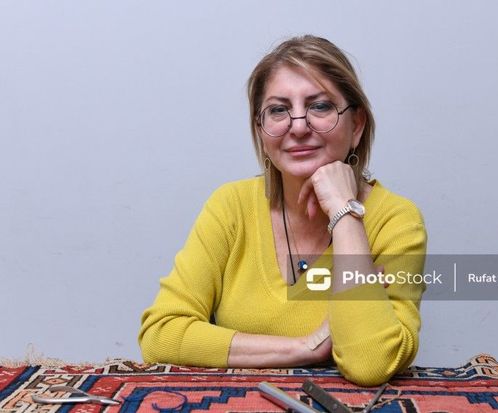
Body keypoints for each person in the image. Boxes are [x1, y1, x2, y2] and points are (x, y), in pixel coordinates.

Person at [138, 35, 427, 386]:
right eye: (278, 110)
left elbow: (371, 363)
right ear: (261, 130)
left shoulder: (396, 221)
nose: (299, 126)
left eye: (320, 106)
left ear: (357, 125)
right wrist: (305, 347)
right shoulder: (231, 206)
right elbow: (161, 335)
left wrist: (345, 213)